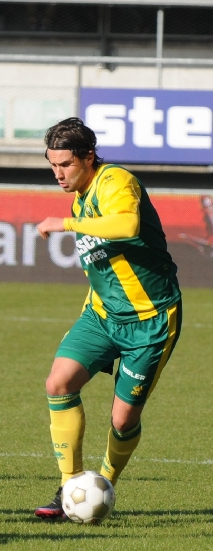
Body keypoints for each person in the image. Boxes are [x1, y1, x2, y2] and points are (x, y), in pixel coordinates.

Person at [33, 118, 181, 519]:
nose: (58, 174)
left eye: (65, 164)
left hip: (150, 320)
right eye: (52, 165)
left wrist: (64, 224)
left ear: (89, 157)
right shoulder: (80, 198)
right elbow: (102, 267)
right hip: (101, 315)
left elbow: (127, 224)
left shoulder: (117, 181)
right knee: (58, 382)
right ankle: (69, 488)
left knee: (123, 417)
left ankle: (104, 484)